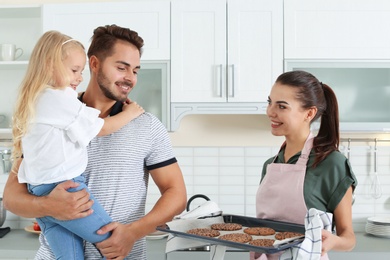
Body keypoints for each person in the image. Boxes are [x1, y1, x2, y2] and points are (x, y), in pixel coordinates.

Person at [3, 24, 187, 260]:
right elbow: (11, 198)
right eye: (122, 68)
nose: (129, 78)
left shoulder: (147, 126)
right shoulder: (48, 116)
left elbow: (176, 194)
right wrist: (49, 206)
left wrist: (132, 233)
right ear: (94, 64)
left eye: (135, 71)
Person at [252, 70, 357, 260]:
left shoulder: (332, 163)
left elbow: (348, 238)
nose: (270, 112)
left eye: (282, 106)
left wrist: (333, 241)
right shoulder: (270, 165)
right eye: (270, 102)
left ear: (309, 113)